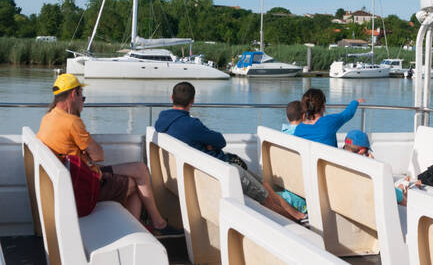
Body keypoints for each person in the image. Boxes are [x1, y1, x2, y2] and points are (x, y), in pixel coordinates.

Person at [37, 74, 182, 237]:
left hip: (73, 177)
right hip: (83, 185)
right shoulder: (72, 122)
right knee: (134, 185)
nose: (83, 102)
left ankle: (154, 223)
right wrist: (88, 145)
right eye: (82, 97)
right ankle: (135, 233)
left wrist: (85, 148)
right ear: (73, 94)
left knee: (140, 168)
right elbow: (99, 155)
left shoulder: (47, 117)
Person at [155, 81, 305, 221]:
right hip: (222, 170)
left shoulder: (163, 121)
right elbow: (220, 141)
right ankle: (293, 222)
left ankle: (296, 214)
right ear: (192, 101)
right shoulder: (191, 125)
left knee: (263, 183)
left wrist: (207, 144)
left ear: (172, 98)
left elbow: (211, 142)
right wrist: (209, 144)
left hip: (210, 168)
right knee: (265, 197)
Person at [342, 130, 408, 205]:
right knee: (401, 198)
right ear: (361, 150)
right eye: (366, 152)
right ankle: (401, 188)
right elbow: (390, 193)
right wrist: (372, 165)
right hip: (364, 205)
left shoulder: (338, 161)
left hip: (347, 203)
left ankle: (400, 188)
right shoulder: (364, 172)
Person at [294, 88, 365, 147]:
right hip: (328, 162)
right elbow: (347, 114)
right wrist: (355, 102)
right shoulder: (329, 122)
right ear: (323, 106)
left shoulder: (298, 129)